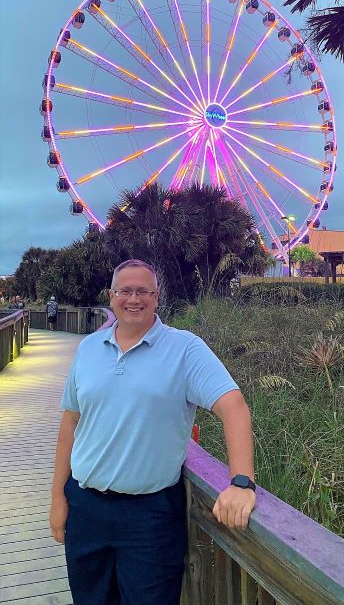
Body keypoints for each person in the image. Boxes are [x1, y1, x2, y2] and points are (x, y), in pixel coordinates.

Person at [49, 259, 256, 605]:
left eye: (143, 291)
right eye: (125, 291)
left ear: (156, 297)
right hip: (85, 507)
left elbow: (233, 406)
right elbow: (70, 424)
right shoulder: (88, 349)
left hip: (150, 518)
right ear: (111, 296)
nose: (134, 299)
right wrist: (58, 497)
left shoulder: (185, 349)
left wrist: (241, 482)